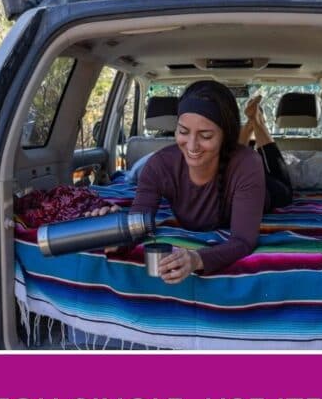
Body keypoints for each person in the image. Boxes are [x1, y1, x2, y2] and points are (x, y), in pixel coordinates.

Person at [97, 81, 293, 282]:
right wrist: (114, 233)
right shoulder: (158, 165)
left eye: (205, 135)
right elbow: (137, 225)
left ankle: (257, 123)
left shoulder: (248, 164)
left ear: (225, 137)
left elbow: (243, 240)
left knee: (285, 191)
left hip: (264, 191)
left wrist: (196, 259)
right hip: (230, 161)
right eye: (183, 132)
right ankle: (249, 123)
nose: (191, 146)